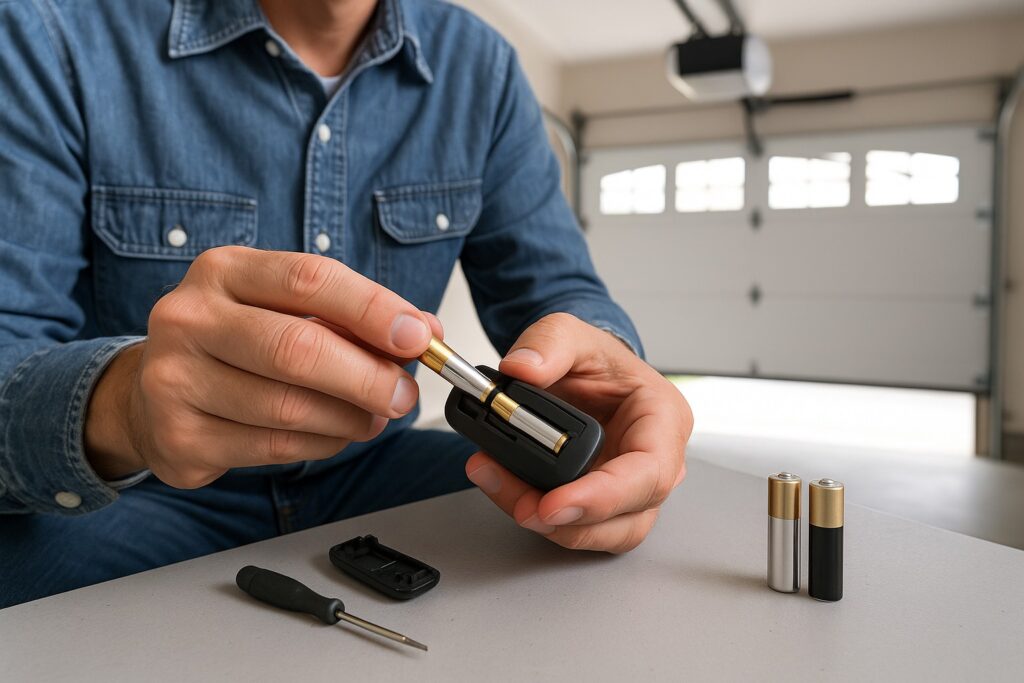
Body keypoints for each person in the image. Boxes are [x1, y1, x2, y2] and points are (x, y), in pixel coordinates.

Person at [0, 0, 693, 607]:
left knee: (583, 566)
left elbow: (561, 293)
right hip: (138, 494)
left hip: (375, 469)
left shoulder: (480, 66)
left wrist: (611, 369)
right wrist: (126, 408)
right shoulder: (52, 33)